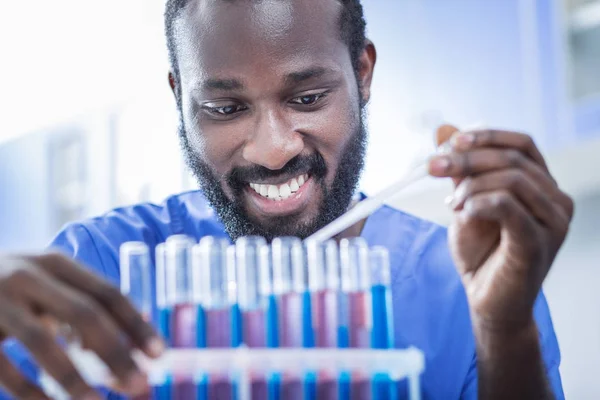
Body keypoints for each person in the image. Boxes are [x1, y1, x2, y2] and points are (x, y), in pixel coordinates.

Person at [0, 0, 573, 399]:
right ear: (179, 97)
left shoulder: (469, 286)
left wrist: (504, 331)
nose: (273, 150)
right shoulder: (100, 265)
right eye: (225, 109)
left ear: (362, 73)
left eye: (308, 97)